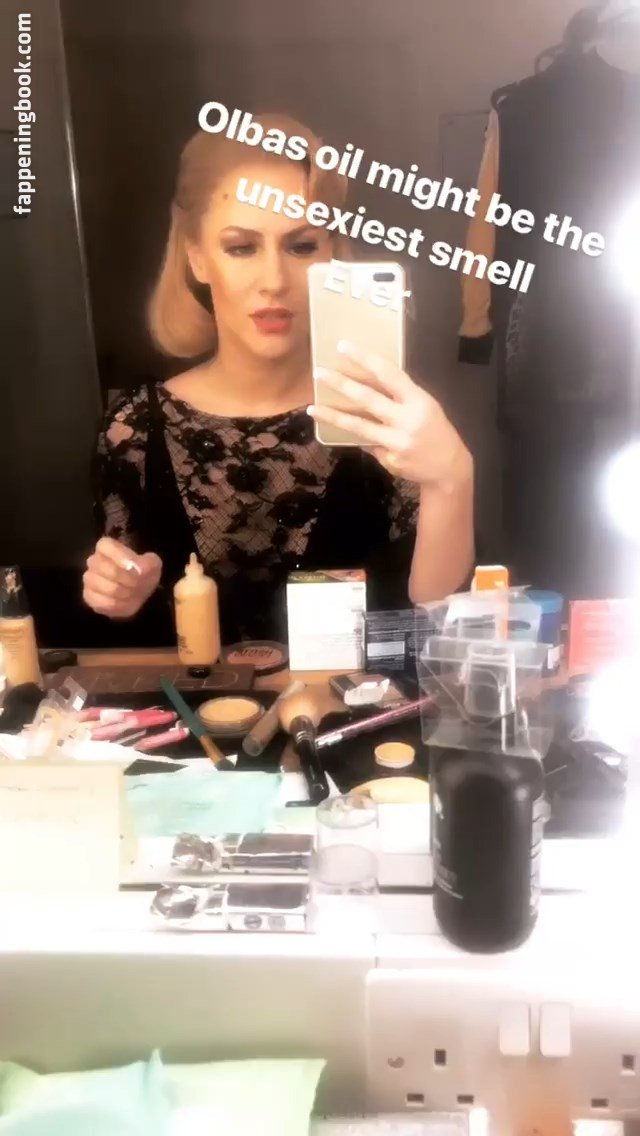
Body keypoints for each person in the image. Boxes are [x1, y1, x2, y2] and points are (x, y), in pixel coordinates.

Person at [83, 114, 474, 645]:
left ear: (331, 253)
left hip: (364, 700)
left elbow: (437, 627)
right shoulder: (133, 430)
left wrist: (452, 479)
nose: (274, 280)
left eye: (301, 246)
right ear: (197, 257)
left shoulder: (388, 418)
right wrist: (120, 595)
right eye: (241, 247)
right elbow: (119, 628)